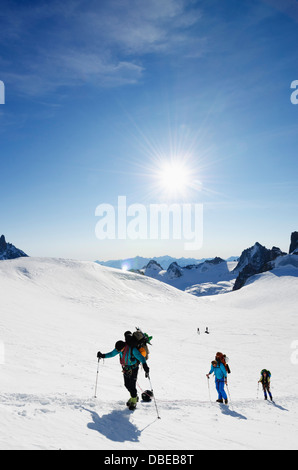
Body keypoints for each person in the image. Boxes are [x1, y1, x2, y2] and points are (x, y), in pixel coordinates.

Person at [97, 339, 150, 410]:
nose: (118, 351)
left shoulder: (133, 350)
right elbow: (112, 354)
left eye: (119, 350)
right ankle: (134, 396)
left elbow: (141, 358)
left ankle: (134, 401)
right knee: (127, 384)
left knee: (132, 385)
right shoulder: (119, 348)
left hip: (133, 369)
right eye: (118, 350)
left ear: (124, 347)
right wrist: (102, 355)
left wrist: (146, 368)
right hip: (126, 369)